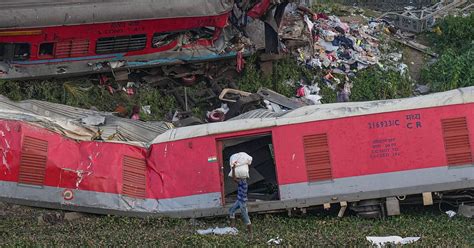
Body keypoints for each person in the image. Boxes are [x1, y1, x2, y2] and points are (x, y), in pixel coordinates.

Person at [229, 161, 252, 238]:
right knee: (231, 210)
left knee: (246, 218)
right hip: (239, 201)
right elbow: (236, 179)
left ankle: (250, 234)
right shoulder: (242, 182)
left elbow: (234, 179)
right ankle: (232, 228)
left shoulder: (243, 183)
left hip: (242, 203)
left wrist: (233, 168)